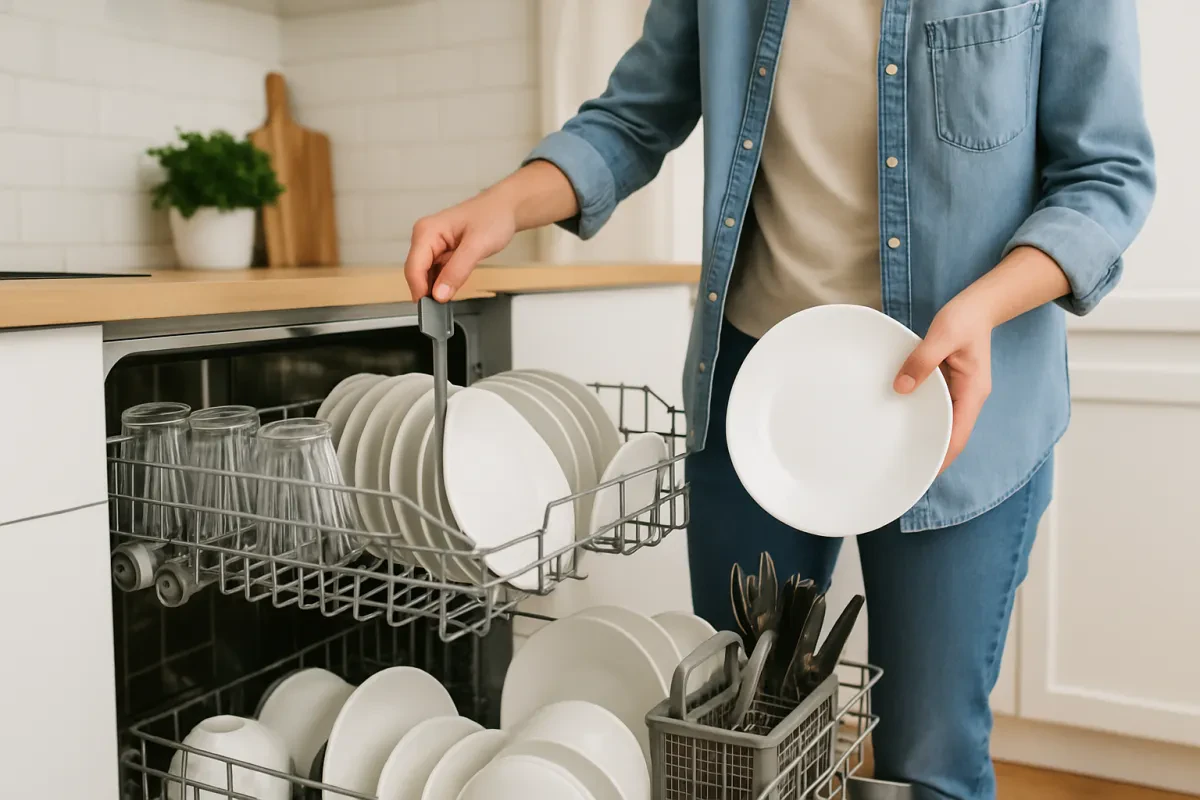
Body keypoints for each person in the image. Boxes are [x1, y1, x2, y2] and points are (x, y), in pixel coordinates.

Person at [403, 2, 1155, 797]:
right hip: (763, 396)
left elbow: (1107, 176)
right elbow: (630, 120)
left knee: (929, 762)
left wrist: (985, 307)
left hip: (957, 396)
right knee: (740, 739)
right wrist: (499, 207)